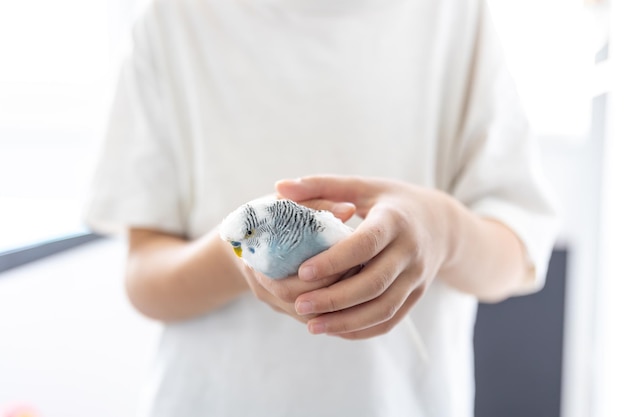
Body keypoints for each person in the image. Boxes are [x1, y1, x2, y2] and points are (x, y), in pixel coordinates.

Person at [84, 0, 558, 415]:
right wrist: (240, 258)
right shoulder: (174, 18)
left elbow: (518, 256)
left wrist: (443, 231)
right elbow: (144, 277)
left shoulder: (456, 15)